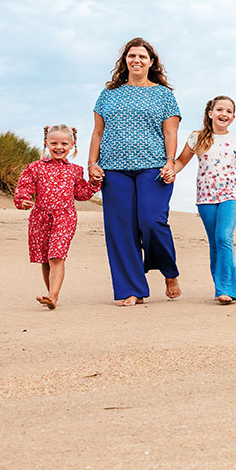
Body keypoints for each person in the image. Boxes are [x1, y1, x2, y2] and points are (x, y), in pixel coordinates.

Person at [87, 37, 182, 307]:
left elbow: (170, 131)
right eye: (132, 56)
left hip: (153, 167)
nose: (136, 60)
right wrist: (92, 163)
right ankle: (131, 289)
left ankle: (168, 271)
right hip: (113, 169)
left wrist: (170, 162)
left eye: (142, 56)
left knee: (152, 221)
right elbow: (97, 131)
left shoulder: (164, 94)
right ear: (125, 60)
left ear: (151, 62)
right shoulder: (109, 93)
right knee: (121, 229)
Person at [14, 125, 101, 308]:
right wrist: (23, 200)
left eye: (64, 143)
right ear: (46, 143)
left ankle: (53, 295)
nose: (59, 147)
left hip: (65, 218)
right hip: (40, 218)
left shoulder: (75, 170)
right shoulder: (34, 168)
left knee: (56, 256)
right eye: (54, 143)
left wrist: (94, 183)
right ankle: (50, 295)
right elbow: (24, 188)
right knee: (45, 259)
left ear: (72, 145)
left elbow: (81, 194)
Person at [170, 96, 236, 304]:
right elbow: (180, 162)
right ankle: (220, 287)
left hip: (231, 194)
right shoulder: (197, 137)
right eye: (220, 109)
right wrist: (169, 172)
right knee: (215, 242)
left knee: (224, 237)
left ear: (232, 117)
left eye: (229, 111)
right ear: (210, 113)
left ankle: (227, 290)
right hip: (205, 196)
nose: (224, 114)